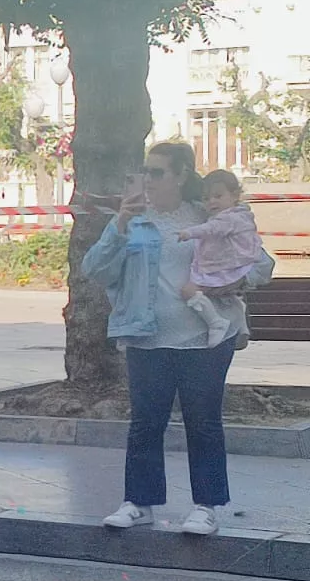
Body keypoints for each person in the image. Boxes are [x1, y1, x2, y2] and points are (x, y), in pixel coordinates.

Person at [85, 142, 259, 537]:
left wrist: (230, 282)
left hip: (206, 338)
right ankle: (139, 502)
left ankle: (208, 506)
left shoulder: (211, 214)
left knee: (203, 422)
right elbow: (94, 268)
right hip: (148, 336)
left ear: (181, 175)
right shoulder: (134, 220)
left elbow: (260, 262)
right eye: (145, 171)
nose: (149, 180)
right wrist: (119, 226)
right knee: (146, 422)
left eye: (158, 172)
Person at [178, 168, 264, 346]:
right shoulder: (238, 216)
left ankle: (215, 322)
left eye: (217, 196)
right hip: (230, 264)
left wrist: (189, 232)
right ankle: (240, 322)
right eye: (206, 198)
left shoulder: (228, 218)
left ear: (234, 195)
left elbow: (211, 229)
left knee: (189, 290)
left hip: (226, 266)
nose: (211, 202)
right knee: (226, 295)